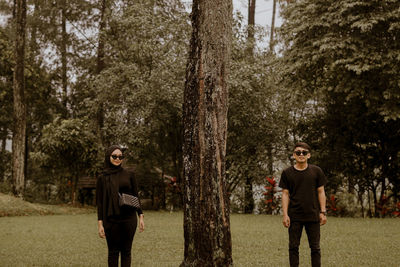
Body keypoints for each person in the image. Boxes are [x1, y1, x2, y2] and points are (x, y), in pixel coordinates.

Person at [279, 142, 327, 267]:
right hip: (294, 216)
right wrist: (285, 215)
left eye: (304, 152)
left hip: (313, 215)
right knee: (293, 247)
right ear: (293, 155)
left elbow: (321, 192)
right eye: (298, 152)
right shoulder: (287, 173)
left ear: (309, 155)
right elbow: (285, 194)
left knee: (315, 248)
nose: (301, 154)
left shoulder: (316, 171)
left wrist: (323, 212)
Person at [96, 145, 145, 267]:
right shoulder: (102, 177)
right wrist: (100, 224)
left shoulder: (129, 174)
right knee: (113, 252)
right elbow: (100, 202)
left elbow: (135, 195)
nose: (118, 159)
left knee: (126, 252)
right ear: (108, 157)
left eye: (120, 156)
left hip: (129, 218)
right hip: (111, 220)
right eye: (114, 156)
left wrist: (141, 216)